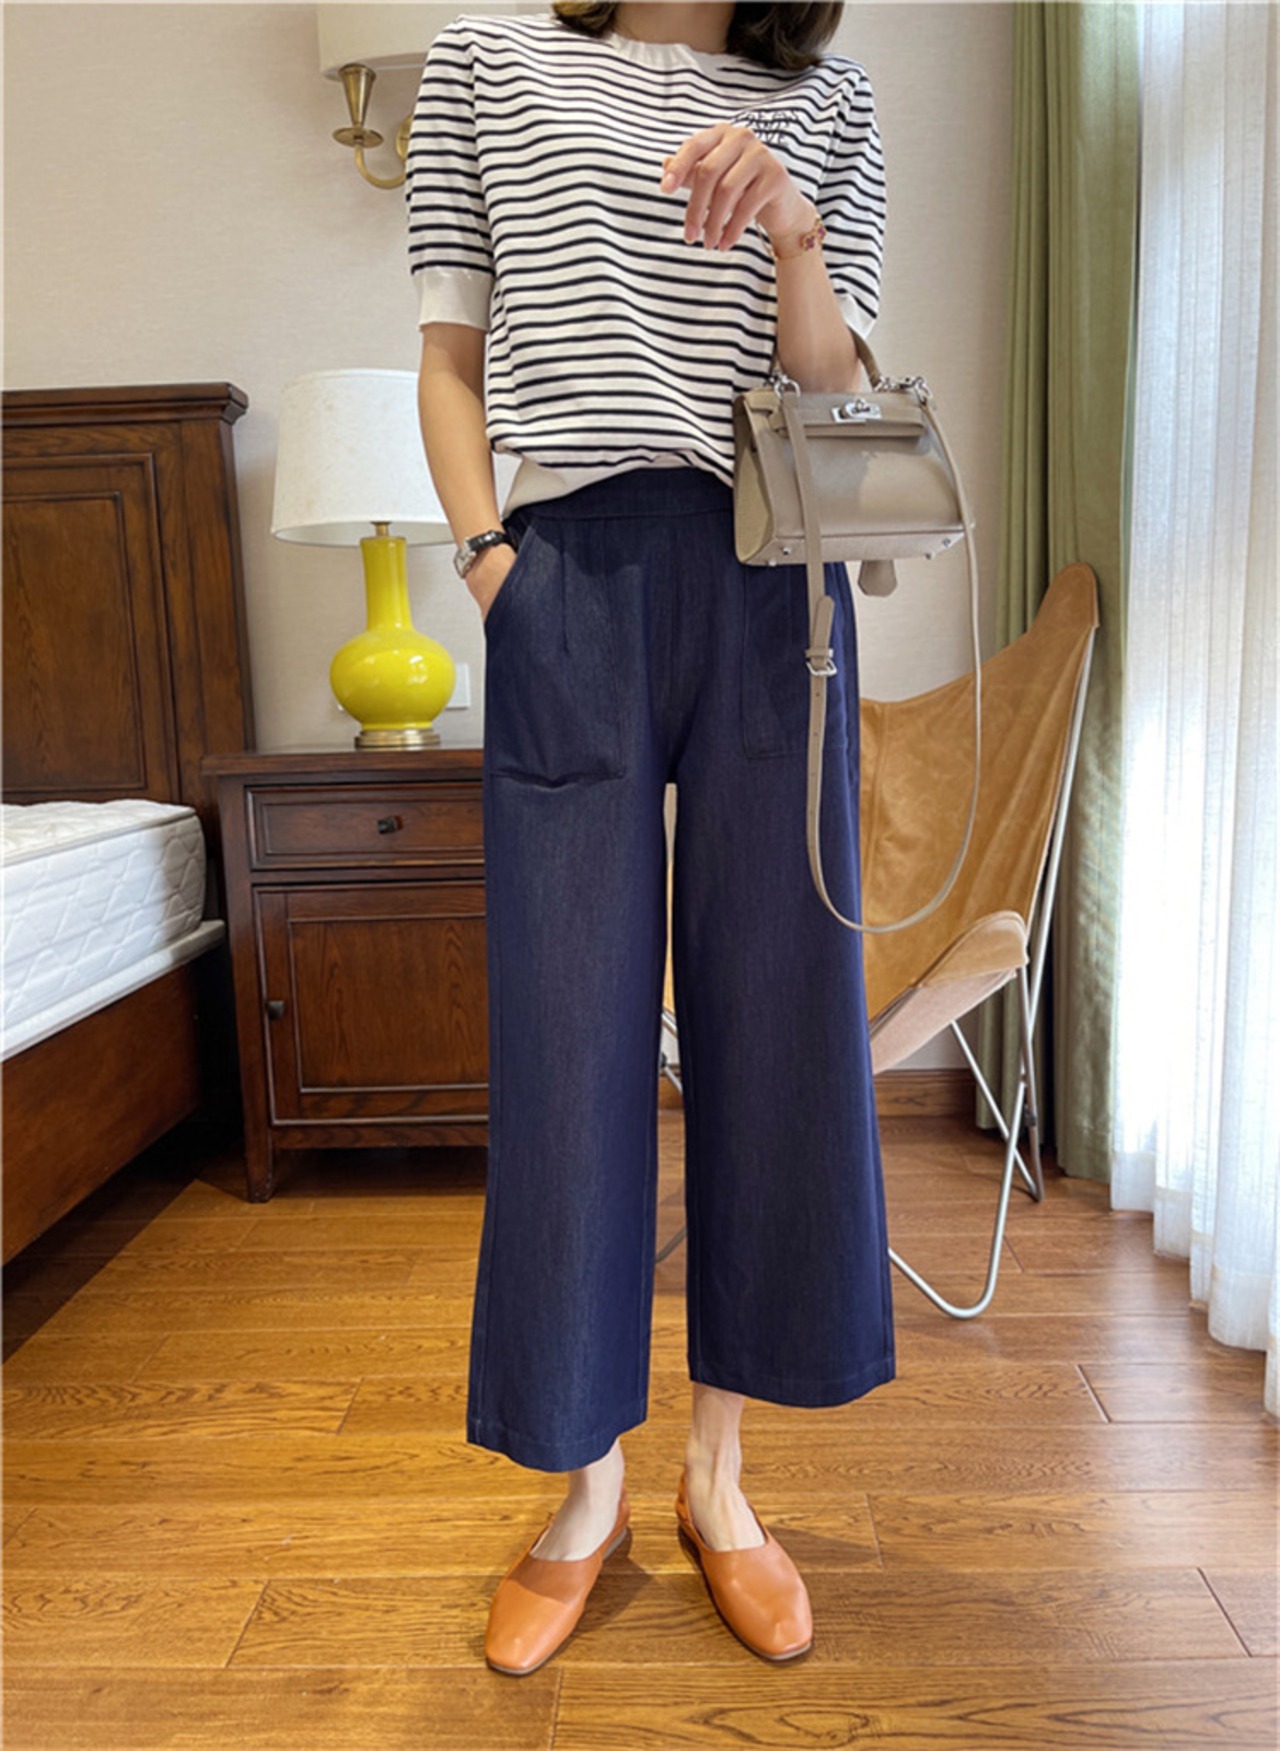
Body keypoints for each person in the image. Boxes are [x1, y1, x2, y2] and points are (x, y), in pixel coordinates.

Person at [406, 0, 895, 1675]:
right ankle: (585, 1488)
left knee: (779, 1024)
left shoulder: (831, 98)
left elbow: (837, 390)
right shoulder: (485, 63)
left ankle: (722, 1482)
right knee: (568, 1039)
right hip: (567, 574)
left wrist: (796, 230)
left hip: (778, 583)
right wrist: (493, 568)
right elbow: (450, 358)